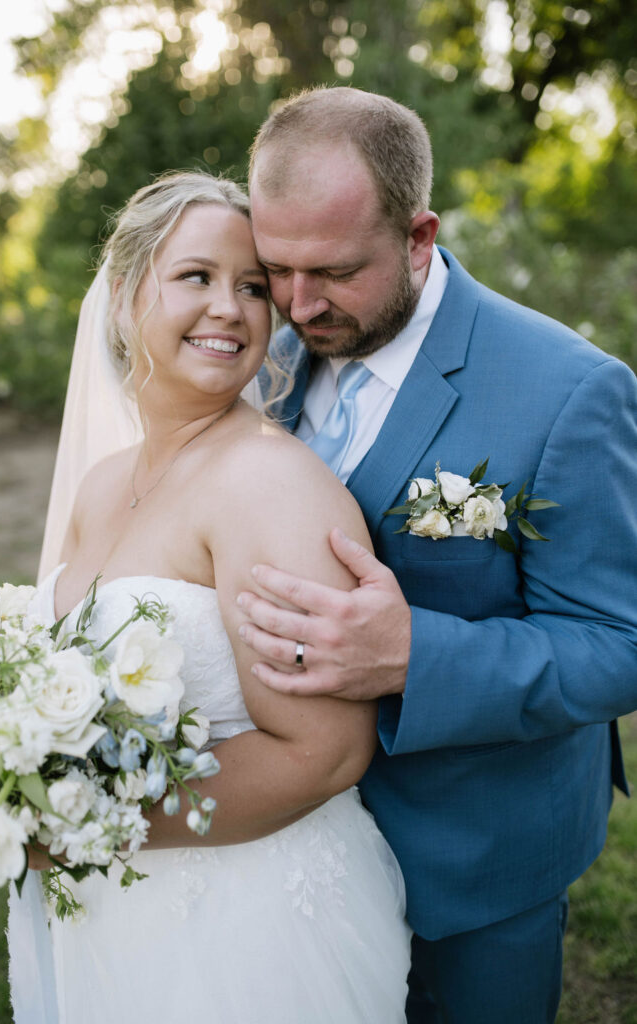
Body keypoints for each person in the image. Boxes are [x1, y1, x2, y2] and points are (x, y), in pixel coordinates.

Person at [238, 87, 637, 1023]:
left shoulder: (569, 392)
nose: (297, 306)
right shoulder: (263, 349)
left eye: (333, 271)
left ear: (419, 237)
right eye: (275, 268)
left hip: (476, 858)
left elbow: (619, 642)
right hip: (295, 849)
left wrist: (415, 654)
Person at [7, 171, 412, 1023]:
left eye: (253, 287)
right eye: (197, 276)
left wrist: (80, 828)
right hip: (107, 910)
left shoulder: (268, 485)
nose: (230, 307)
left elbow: (324, 752)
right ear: (122, 297)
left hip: (243, 926)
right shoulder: (100, 483)